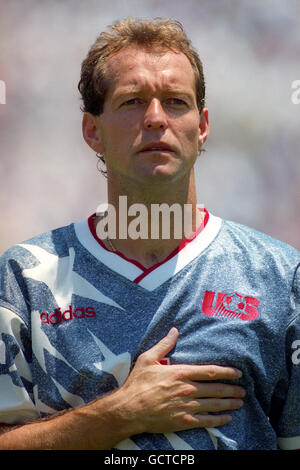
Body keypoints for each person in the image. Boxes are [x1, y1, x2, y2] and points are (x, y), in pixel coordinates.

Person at [0, 18, 299, 451]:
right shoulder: (24, 278)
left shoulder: (279, 276)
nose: (156, 118)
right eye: (133, 102)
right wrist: (120, 414)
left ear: (203, 127)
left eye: (176, 102)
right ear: (92, 131)